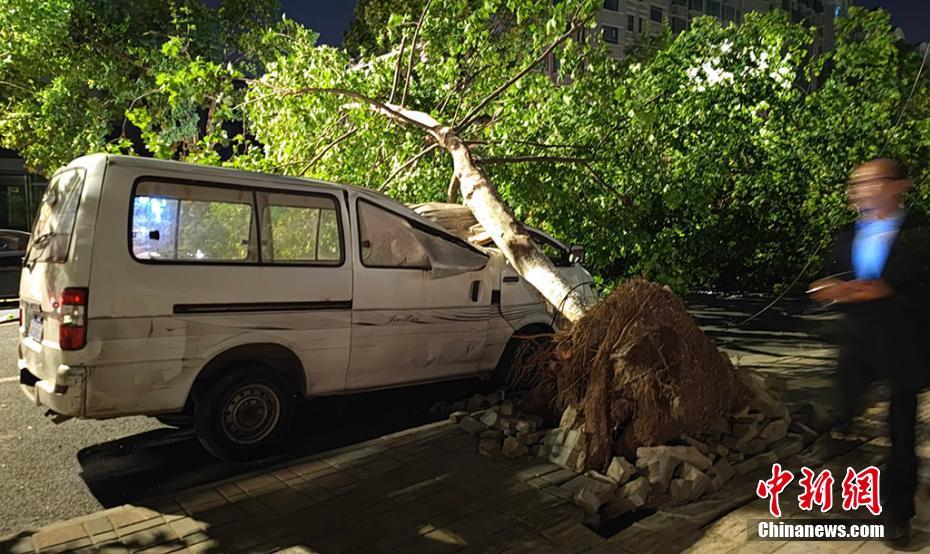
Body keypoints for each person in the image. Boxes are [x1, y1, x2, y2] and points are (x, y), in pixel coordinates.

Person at [809, 158, 930, 548]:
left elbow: (911, 288)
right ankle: (837, 462)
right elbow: (833, 280)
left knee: (900, 433)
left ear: (899, 186)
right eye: (855, 183)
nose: (858, 190)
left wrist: (881, 291)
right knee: (838, 410)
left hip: (906, 343)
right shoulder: (845, 235)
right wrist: (827, 291)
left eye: (869, 182)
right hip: (858, 344)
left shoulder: (918, 233)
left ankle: (898, 514)